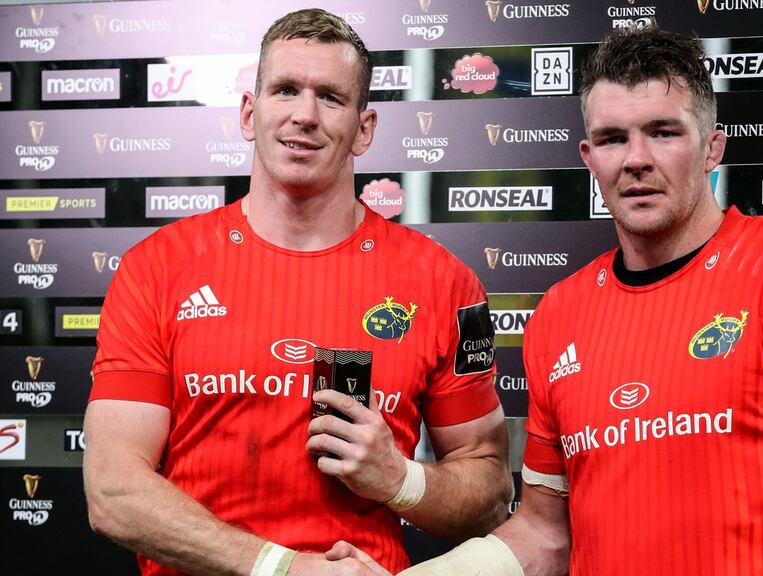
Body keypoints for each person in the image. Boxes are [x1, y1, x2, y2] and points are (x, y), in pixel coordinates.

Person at [386, 24, 763, 576]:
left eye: (663, 132)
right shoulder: (558, 317)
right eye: (613, 138)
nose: (635, 159)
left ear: (713, 147)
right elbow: (546, 531)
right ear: (589, 158)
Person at [83, 8, 511, 576]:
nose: (305, 115)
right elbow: (113, 492)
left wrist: (399, 480)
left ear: (365, 129)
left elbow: (489, 493)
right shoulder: (155, 270)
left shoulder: (445, 282)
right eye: (286, 89)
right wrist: (284, 569)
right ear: (248, 112)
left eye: (331, 97)